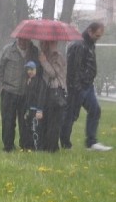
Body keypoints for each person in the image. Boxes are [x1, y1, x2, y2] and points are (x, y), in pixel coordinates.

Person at [62, 22, 111, 151]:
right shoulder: (78, 45)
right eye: (97, 35)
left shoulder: (89, 44)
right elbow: (73, 70)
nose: (98, 38)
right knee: (71, 115)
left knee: (95, 110)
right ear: (90, 31)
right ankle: (65, 143)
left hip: (87, 86)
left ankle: (91, 143)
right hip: (78, 87)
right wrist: (77, 89)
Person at [0, 37, 39, 152]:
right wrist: (1, 87)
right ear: (17, 39)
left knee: (25, 121)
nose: (23, 42)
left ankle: (26, 145)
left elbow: (37, 70)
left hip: (26, 92)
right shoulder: (8, 50)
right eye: (21, 40)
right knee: (8, 121)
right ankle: (8, 146)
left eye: (25, 40)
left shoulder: (34, 52)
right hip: (9, 91)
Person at [37, 40, 67, 152]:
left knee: (53, 122)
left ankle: (52, 148)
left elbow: (53, 73)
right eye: (42, 43)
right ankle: (44, 146)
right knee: (44, 121)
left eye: (45, 43)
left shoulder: (58, 57)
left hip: (55, 92)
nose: (43, 45)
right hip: (45, 92)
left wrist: (44, 62)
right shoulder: (43, 55)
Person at [19, 61, 47, 151]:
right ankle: (29, 147)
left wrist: (40, 110)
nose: (29, 71)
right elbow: (27, 98)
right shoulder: (28, 81)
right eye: (28, 69)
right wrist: (26, 110)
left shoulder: (41, 82)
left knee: (36, 130)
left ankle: (38, 148)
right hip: (29, 110)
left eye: (32, 69)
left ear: (37, 70)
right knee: (29, 129)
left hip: (36, 110)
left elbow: (41, 97)